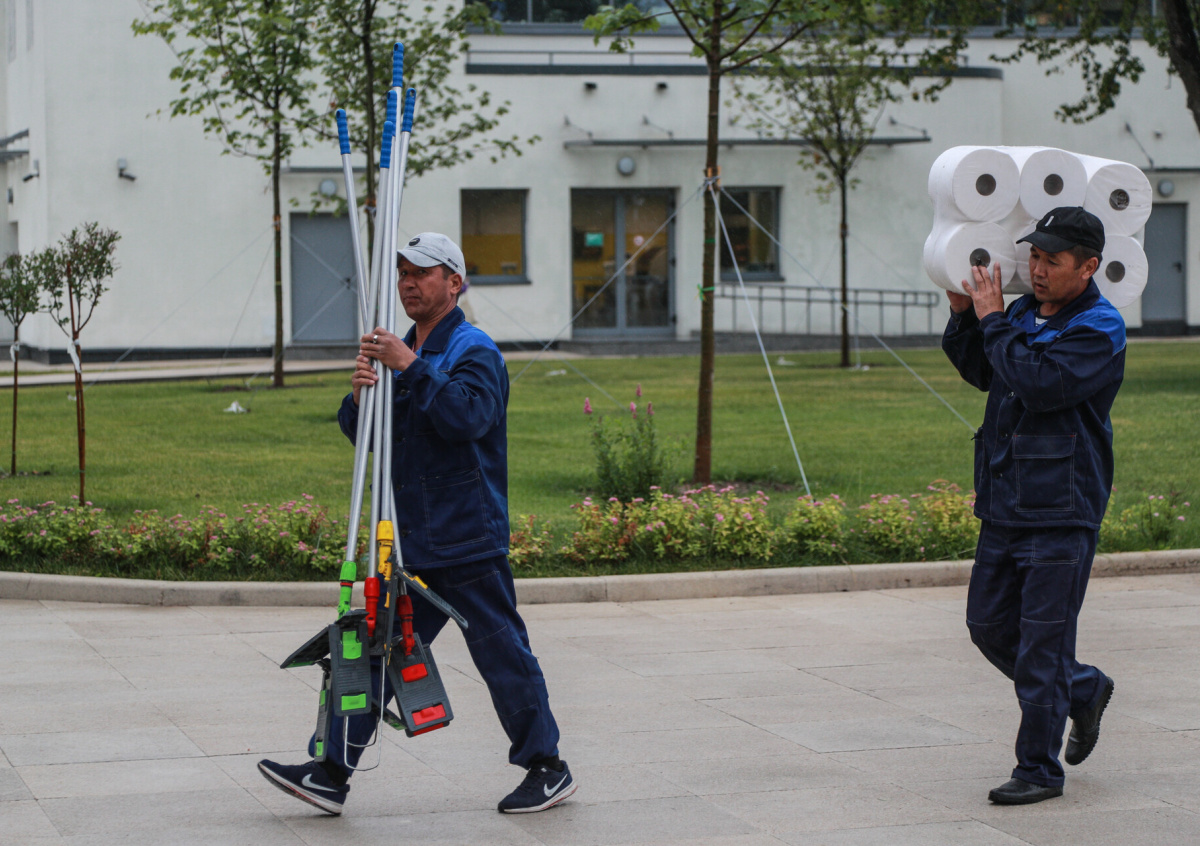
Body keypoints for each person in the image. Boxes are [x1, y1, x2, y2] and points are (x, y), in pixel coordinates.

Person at [258, 233, 575, 816]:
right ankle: (330, 772)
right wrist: (359, 398)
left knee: (501, 654)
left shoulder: (473, 350)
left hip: (466, 538)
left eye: (422, 273)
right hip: (407, 542)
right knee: (369, 655)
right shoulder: (400, 350)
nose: (409, 282)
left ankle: (548, 768)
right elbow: (369, 437)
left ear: (454, 283)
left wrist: (410, 368)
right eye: (403, 272)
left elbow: (468, 417)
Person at [942, 207, 1124, 806]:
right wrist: (965, 317)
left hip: (1061, 509)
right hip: (1005, 500)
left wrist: (994, 322)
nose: (1037, 269)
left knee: (1044, 644)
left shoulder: (1099, 327)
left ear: (1088, 267)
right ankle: (1083, 689)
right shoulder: (1021, 313)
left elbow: (1042, 385)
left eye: (1052, 260)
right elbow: (986, 371)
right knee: (988, 626)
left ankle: (1039, 771)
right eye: (1035, 256)